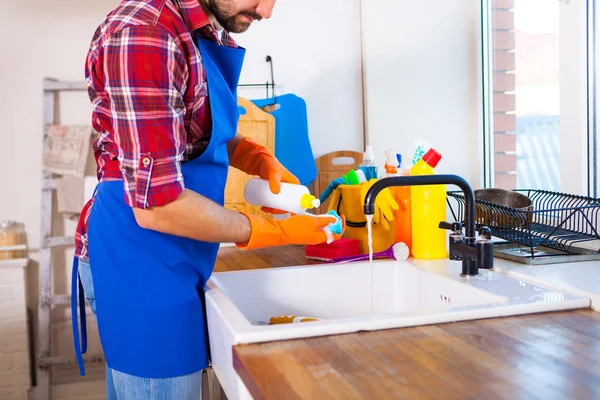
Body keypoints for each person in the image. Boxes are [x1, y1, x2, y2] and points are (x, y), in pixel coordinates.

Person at [71, 0, 345, 398]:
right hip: (138, 260)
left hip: (179, 253)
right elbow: (156, 205)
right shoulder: (146, 34)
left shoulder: (204, 29)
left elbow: (190, 123)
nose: (267, 11)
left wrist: (254, 156)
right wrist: (269, 230)